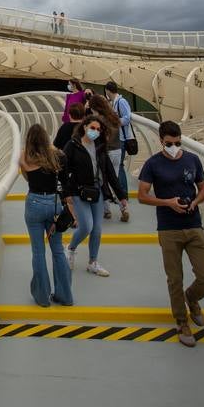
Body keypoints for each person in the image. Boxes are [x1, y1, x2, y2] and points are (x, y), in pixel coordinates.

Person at [138, 120, 204, 348]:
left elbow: (203, 189)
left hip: (193, 224)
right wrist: (167, 202)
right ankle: (182, 322)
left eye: (178, 142)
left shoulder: (192, 160)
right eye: (170, 143)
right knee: (175, 278)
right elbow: (142, 195)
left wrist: (195, 202)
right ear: (161, 141)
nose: (174, 146)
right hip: (169, 227)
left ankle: (192, 298)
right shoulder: (153, 164)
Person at [63, 115, 128, 277]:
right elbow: (63, 170)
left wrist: (121, 196)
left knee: (97, 229)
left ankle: (93, 262)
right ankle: (70, 249)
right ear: (84, 127)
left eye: (98, 129)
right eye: (92, 128)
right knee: (86, 226)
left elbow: (110, 173)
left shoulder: (99, 146)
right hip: (79, 190)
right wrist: (66, 193)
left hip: (97, 190)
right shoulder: (73, 145)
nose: (95, 131)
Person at [20, 124, 75, 307]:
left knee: (38, 252)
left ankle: (42, 297)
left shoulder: (24, 156)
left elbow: (28, 177)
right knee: (58, 250)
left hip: (34, 203)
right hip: (53, 204)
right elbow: (64, 181)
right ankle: (65, 296)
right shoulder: (57, 156)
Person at [86, 94, 130, 223]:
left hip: (104, 153)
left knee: (102, 181)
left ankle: (107, 210)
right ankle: (124, 208)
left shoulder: (97, 120)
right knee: (115, 181)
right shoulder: (113, 116)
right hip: (117, 150)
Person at [104, 80, 132, 199]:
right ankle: (121, 193)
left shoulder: (121, 101)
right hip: (118, 137)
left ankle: (123, 193)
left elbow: (127, 117)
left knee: (119, 166)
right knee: (118, 166)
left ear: (107, 91)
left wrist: (114, 123)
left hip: (122, 138)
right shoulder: (114, 102)